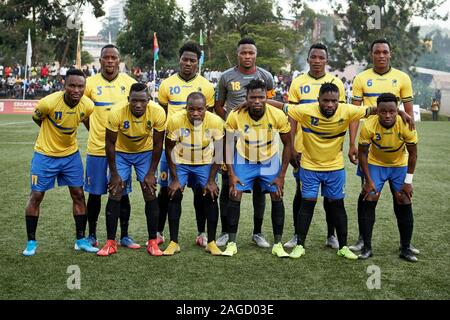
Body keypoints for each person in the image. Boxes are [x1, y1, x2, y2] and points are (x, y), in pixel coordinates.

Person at [286, 82, 382, 260]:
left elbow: (376, 110)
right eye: (326, 101)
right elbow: (283, 107)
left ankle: (343, 247)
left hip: (335, 168)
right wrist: (258, 102)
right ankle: (300, 245)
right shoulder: (306, 110)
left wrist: (400, 112)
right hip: (309, 167)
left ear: (339, 101)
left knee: (337, 205)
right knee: (307, 203)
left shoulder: (347, 110)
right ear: (318, 100)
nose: (330, 104)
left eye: (334, 101)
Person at [348, 39, 419, 254]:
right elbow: (354, 113)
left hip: (395, 148)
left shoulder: (402, 78)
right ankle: (363, 240)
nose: (381, 55)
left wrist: (406, 131)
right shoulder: (361, 78)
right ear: (371, 54)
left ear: (390, 54)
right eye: (377, 52)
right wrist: (352, 143)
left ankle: (405, 244)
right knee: (367, 192)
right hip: (371, 144)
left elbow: (407, 115)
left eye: (384, 52)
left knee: (402, 198)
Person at [22, 69, 98, 256]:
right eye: (72, 85)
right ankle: (31, 242)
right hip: (45, 155)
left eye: (80, 86)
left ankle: (80, 239)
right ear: (64, 85)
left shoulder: (87, 105)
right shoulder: (48, 103)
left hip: (70, 155)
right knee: (37, 195)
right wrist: (50, 136)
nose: (76, 90)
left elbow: (85, 120)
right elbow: (36, 118)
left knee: (78, 195)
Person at [214, 37, 275, 249]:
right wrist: (232, 122)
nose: (247, 56)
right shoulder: (226, 77)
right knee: (228, 185)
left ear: (255, 55)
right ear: (237, 54)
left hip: (259, 139)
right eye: (243, 53)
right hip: (232, 137)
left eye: (251, 53)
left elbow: (272, 103)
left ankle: (257, 233)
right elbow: (218, 106)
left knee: (260, 187)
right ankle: (224, 231)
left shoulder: (266, 77)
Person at [283, 43, 346, 250]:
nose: (317, 60)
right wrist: (291, 147)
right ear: (308, 59)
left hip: (330, 149)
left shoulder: (336, 83)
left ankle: (331, 235)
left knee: (331, 197)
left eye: (321, 57)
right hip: (303, 148)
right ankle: (296, 234)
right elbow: (291, 116)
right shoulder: (298, 83)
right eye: (314, 57)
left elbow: (343, 115)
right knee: (301, 193)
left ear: (326, 60)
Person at [222, 79, 292, 258]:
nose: (257, 101)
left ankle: (277, 244)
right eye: (253, 97)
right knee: (235, 193)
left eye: (261, 97)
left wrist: (282, 175)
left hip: (269, 160)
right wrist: (231, 174)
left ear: (267, 98)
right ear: (246, 98)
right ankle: (231, 243)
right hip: (244, 159)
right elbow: (227, 144)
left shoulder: (277, 115)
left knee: (277, 194)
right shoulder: (236, 115)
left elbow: (288, 145)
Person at [157, 42, 215, 248]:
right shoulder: (166, 84)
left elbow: (210, 116)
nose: (188, 63)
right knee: (166, 190)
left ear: (198, 63)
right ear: (179, 60)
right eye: (185, 59)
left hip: (199, 150)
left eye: (192, 60)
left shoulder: (206, 86)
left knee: (202, 191)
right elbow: (162, 114)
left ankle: (202, 233)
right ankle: (159, 232)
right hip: (172, 148)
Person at [97, 83, 166, 256]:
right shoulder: (116, 112)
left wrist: (151, 173)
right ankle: (111, 242)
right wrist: (114, 173)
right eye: (134, 101)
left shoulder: (157, 112)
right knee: (116, 191)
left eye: (142, 101)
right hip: (121, 152)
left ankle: (152, 242)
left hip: (145, 153)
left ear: (148, 100)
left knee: (150, 191)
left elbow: (158, 144)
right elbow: (110, 144)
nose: (138, 105)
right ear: (128, 100)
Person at [83, 44, 138, 249]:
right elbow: (84, 114)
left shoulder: (129, 83)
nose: (109, 61)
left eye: (113, 57)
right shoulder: (89, 84)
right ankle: (91, 235)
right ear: (100, 60)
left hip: (122, 151)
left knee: (122, 193)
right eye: (105, 57)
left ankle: (124, 235)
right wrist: (97, 131)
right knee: (95, 193)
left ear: (119, 60)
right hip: (97, 148)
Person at [357, 93, 418, 262]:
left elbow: (413, 154)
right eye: (383, 111)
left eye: (392, 111)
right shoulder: (369, 125)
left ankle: (405, 248)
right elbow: (362, 154)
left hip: (399, 165)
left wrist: (408, 182)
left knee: (404, 199)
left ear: (396, 111)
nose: (387, 115)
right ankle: (367, 247)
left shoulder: (406, 124)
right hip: (376, 164)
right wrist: (368, 181)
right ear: (378, 111)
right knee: (370, 197)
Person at [163, 92, 224, 256]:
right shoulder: (175, 120)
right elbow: (168, 147)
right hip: (182, 161)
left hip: (204, 162)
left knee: (211, 195)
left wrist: (211, 180)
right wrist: (175, 178)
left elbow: (220, 152)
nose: (195, 113)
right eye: (191, 109)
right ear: (186, 108)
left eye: (200, 109)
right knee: (173, 194)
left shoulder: (216, 121)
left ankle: (211, 242)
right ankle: (174, 242)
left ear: (206, 108)